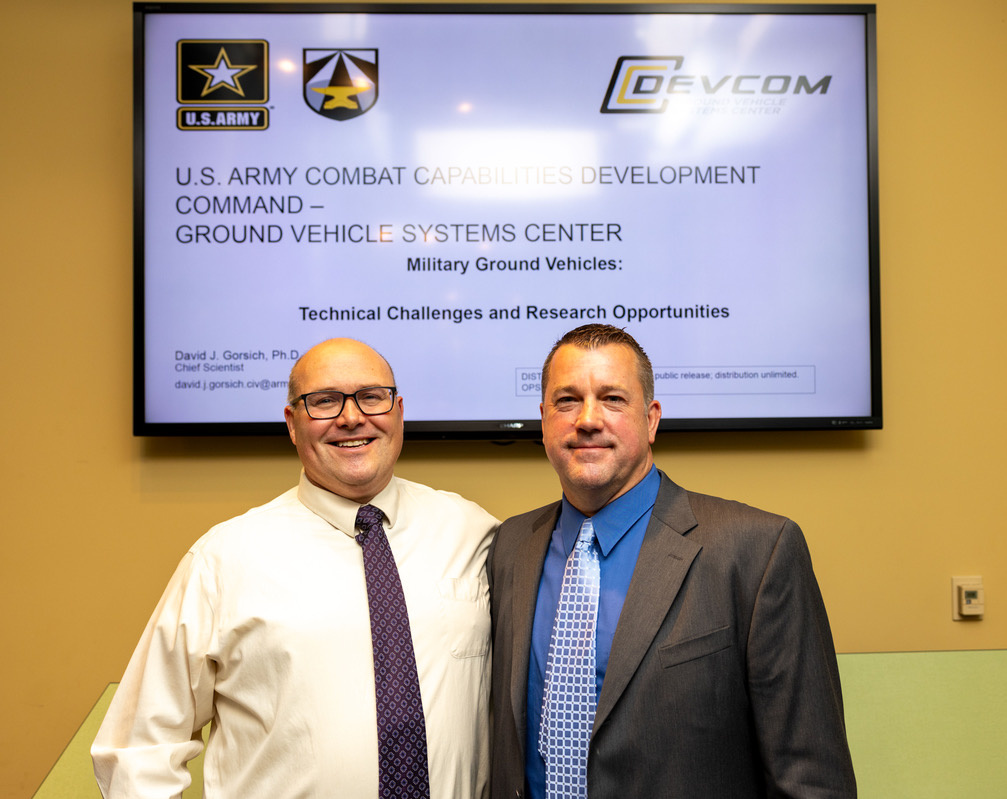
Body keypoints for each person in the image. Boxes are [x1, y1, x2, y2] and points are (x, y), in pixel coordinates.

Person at [92, 338, 498, 799]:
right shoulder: (224, 560)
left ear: (398, 411)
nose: (351, 417)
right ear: (292, 423)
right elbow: (138, 750)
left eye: (371, 396)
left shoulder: (472, 531)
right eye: (324, 401)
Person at [488, 324, 856, 799]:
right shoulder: (511, 546)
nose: (588, 419)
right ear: (543, 420)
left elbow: (811, 777)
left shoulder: (757, 550)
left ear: (651, 418)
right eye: (567, 401)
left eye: (613, 399)